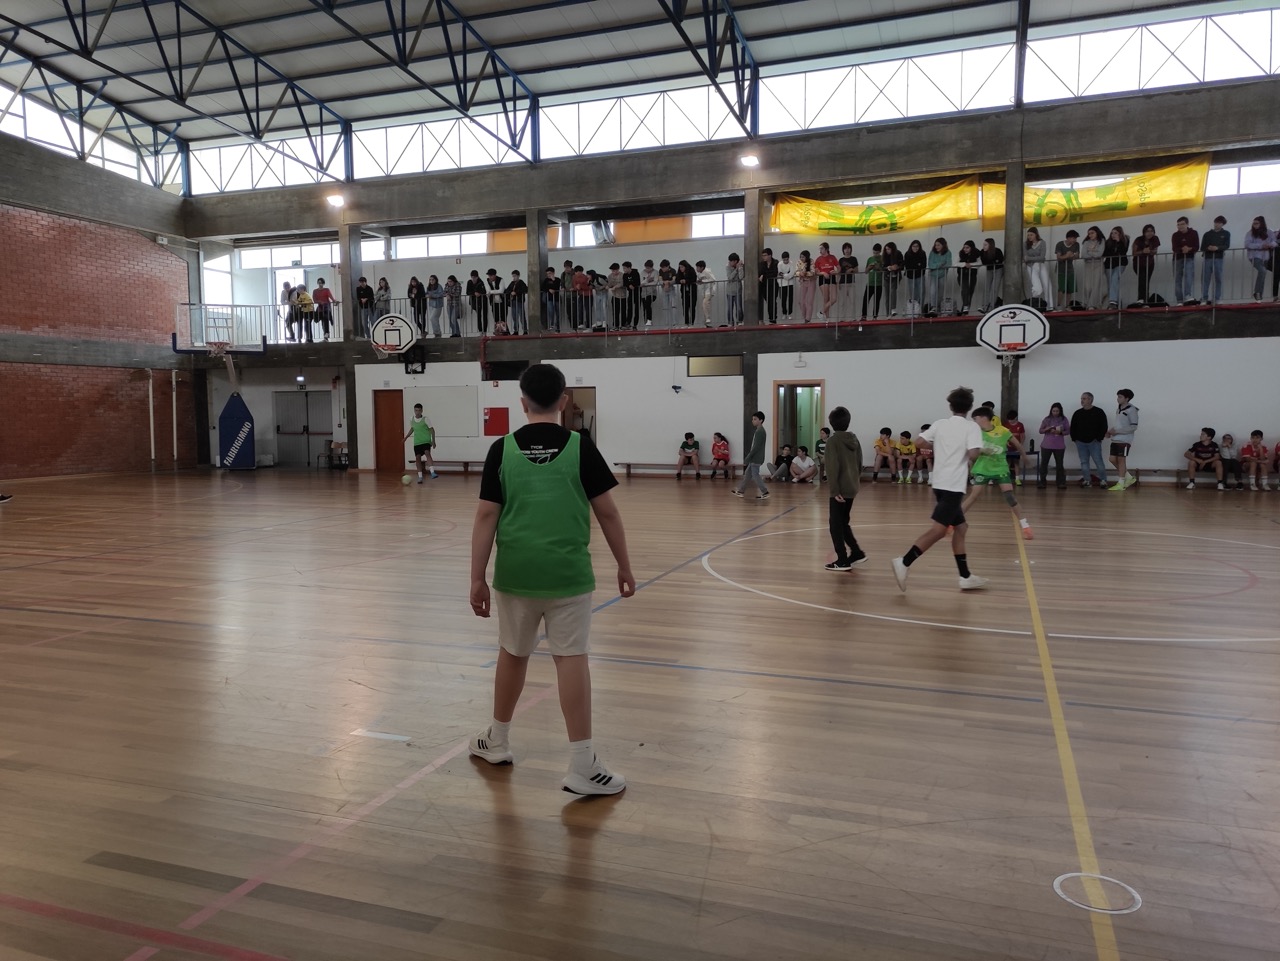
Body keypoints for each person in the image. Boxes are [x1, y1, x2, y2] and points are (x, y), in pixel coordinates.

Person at [468, 363, 634, 796]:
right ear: (564, 402)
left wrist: (476, 579)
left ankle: (497, 741)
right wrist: (624, 566)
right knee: (571, 658)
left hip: (515, 575)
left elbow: (486, 516)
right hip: (568, 577)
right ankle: (582, 764)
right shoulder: (581, 447)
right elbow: (608, 512)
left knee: (512, 653)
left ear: (522, 403)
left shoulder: (500, 450)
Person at [890, 387, 988, 593]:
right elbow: (973, 455)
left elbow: (918, 442)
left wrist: (939, 446)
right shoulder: (972, 428)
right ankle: (904, 562)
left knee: (961, 528)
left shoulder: (940, 424)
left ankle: (965, 576)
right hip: (953, 485)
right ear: (970, 407)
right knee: (939, 530)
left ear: (950, 406)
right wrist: (982, 448)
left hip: (940, 483)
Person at [962, 407, 1034, 539]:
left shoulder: (1003, 431)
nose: (974, 422)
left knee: (1010, 498)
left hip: (1000, 469)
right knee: (973, 497)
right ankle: (953, 523)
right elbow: (970, 452)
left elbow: (1018, 445)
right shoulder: (975, 433)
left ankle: (1025, 526)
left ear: (984, 418)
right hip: (982, 469)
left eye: (975, 419)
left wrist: (1024, 456)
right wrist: (982, 450)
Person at [823, 406, 866, 572]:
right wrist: (854, 480)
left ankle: (842, 560)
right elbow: (860, 463)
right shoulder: (854, 439)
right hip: (852, 486)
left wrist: (835, 491)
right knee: (843, 522)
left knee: (835, 525)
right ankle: (856, 552)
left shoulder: (833, 441)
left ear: (831, 423)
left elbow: (832, 468)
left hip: (839, 490)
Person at [1069, 392, 1109, 488]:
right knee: (1084, 462)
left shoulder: (1099, 412)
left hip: (1094, 442)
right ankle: (1087, 480)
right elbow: (1073, 427)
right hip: (1080, 442)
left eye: (1084, 398)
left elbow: (1104, 426)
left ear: (1090, 399)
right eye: (1081, 398)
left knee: (1098, 461)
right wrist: (1075, 439)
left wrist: (1098, 438)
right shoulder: (1077, 413)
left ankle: (1103, 480)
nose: (1082, 400)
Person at [1106, 388, 1139, 490]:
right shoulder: (1119, 408)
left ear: (1127, 398)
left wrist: (1117, 431)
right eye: (1118, 396)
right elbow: (1118, 425)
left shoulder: (1132, 410)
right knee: (1112, 459)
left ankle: (1121, 483)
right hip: (1116, 438)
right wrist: (1110, 431)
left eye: (1120, 397)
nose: (1118, 399)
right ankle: (1129, 477)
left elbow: (1133, 427)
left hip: (1125, 440)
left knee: (1121, 460)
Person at [733, 411, 769, 499]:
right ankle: (741, 491)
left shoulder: (760, 431)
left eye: (755, 419)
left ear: (761, 420)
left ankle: (765, 492)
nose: (753, 421)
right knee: (748, 474)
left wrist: (748, 457)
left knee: (755, 474)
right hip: (756, 457)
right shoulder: (759, 430)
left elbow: (756, 447)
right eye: (753, 419)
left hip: (756, 457)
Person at [1037, 402, 1070, 489]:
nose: (1055, 413)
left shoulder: (1064, 419)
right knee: (1044, 464)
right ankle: (1042, 482)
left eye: (1057, 411)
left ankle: (1060, 483)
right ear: (1051, 411)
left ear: (1060, 411)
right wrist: (1047, 429)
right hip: (1046, 445)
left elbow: (1068, 431)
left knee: (1059, 464)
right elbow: (1040, 430)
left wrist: (1060, 432)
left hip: (1059, 446)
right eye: (1053, 411)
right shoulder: (1047, 419)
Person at [1244, 216, 1276, 302]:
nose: (1255, 225)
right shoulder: (1250, 233)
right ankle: (1257, 292)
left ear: (1262, 223)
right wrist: (1261, 246)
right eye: (1253, 223)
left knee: (1263, 274)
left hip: (1266, 257)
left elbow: (1274, 242)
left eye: (1257, 223)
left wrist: (1270, 245)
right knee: (1262, 271)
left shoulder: (1269, 232)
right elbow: (1247, 244)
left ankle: (1259, 295)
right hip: (1254, 256)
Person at [403, 403, 437, 482]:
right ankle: (420, 477)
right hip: (417, 442)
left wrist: (433, 441)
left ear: (422, 411)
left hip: (426, 440)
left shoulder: (425, 419)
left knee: (427, 453)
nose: (417, 412)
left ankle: (432, 472)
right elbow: (412, 428)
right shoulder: (411, 419)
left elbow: (432, 430)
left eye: (419, 410)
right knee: (417, 458)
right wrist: (406, 437)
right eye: (416, 410)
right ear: (414, 411)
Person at [1200, 215, 1230, 305]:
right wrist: (1209, 248)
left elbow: (1226, 245)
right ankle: (1204, 298)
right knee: (1205, 279)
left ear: (1222, 224)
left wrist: (1217, 248)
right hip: (1207, 258)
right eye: (1216, 222)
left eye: (1219, 223)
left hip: (1219, 258)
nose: (1217, 224)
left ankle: (1217, 298)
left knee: (1218, 279)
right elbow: (1202, 247)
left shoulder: (1226, 234)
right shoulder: (1207, 234)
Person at [1171, 216, 1200, 305]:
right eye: (1178, 225)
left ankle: (1187, 295)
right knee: (1177, 279)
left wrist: (1189, 249)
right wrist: (1182, 249)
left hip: (1189, 257)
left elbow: (1196, 246)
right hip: (1178, 258)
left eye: (1182, 224)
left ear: (1187, 224)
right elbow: (1174, 248)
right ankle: (1179, 300)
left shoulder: (1194, 233)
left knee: (1189, 276)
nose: (1180, 226)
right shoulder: (1175, 235)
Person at [1131, 224, 1161, 304]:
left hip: (1150, 264)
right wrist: (1143, 251)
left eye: (1151, 231)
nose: (1149, 233)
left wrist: (1149, 251)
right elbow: (1134, 252)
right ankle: (1141, 298)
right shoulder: (1138, 239)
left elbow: (1155, 251)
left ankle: (1145, 300)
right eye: (1147, 231)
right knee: (1142, 280)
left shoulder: (1155, 239)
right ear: (1144, 232)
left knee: (1147, 281)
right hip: (1138, 263)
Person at [1103, 226, 1129, 308]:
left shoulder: (1125, 240)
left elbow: (1123, 252)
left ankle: (1113, 301)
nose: (1113, 235)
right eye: (1112, 233)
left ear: (1120, 234)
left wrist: (1118, 242)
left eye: (1115, 233)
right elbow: (1105, 254)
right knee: (1111, 283)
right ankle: (1117, 302)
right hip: (1109, 264)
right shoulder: (1108, 242)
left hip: (1120, 264)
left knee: (1114, 278)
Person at [1079, 226, 1106, 310]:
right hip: (1088, 265)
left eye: (1092, 233)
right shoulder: (1086, 242)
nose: (1090, 235)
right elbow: (1083, 255)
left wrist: (1090, 252)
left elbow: (1100, 254)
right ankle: (1087, 303)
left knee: (1096, 285)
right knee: (1087, 286)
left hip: (1098, 265)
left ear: (1097, 232)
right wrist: (1094, 252)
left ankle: (1092, 305)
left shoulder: (1101, 241)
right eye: (1089, 233)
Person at [1024, 227, 1051, 308]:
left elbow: (1042, 257)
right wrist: (1031, 259)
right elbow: (1025, 258)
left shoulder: (1042, 243)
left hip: (1041, 265)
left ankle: (1050, 306)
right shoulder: (1025, 244)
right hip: (1031, 266)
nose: (1029, 237)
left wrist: (1029, 258)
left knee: (1047, 285)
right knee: (1037, 287)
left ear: (1036, 235)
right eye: (1028, 235)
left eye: (1031, 235)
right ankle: (1034, 304)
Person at [1054, 230, 1080, 306]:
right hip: (1061, 269)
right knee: (1062, 288)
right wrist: (1067, 255)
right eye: (1073, 238)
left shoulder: (1076, 245)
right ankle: (1058, 305)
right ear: (1068, 238)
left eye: (1075, 238)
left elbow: (1077, 256)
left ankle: (1067, 306)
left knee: (1070, 289)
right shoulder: (1060, 244)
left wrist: (1072, 256)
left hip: (1070, 268)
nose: (1075, 240)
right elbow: (1058, 257)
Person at [926, 237, 951, 314]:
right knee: (933, 291)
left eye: (938, 245)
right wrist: (940, 264)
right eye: (935, 245)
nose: (936, 247)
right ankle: (933, 307)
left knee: (940, 292)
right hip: (933, 275)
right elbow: (930, 265)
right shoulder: (932, 252)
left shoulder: (948, 253)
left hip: (942, 275)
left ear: (943, 245)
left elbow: (948, 264)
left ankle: (939, 306)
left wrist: (936, 266)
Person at [814, 242, 839, 318]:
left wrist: (836, 271)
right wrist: (823, 273)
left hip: (831, 277)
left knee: (833, 298)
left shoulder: (832, 257)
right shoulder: (818, 259)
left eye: (822, 248)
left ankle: (821, 312)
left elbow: (839, 267)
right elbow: (816, 272)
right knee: (826, 298)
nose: (820, 250)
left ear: (826, 249)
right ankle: (827, 319)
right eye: (820, 249)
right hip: (823, 278)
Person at [979, 237, 1003, 311]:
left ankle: (991, 306)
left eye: (985, 245)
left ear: (990, 245)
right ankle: (985, 306)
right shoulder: (982, 252)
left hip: (998, 269)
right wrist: (993, 262)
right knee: (986, 287)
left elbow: (1000, 260)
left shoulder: (997, 251)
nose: (983, 247)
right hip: (989, 270)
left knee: (994, 288)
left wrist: (993, 262)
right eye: (983, 245)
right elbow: (984, 262)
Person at [903, 239, 926, 315]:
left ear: (919, 247)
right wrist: (917, 265)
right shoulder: (907, 254)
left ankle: (921, 311)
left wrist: (917, 266)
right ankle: (915, 311)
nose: (915, 248)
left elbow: (923, 265)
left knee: (921, 293)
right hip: (910, 277)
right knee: (913, 294)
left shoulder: (922, 253)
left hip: (920, 275)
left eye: (917, 246)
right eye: (914, 246)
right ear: (911, 246)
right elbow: (908, 266)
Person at [956, 240, 979, 314]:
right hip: (962, 275)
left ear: (971, 248)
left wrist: (971, 265)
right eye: (964, 247)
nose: (965, 249)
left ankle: (965, 309)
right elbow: (955, 263)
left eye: (967, 248)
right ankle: (965, 306)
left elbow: (979, 263)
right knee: (965, 289)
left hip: (972, 275)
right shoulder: (961, 254)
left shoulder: (976, 254)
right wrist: (964, 264)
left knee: (970, 292)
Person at [837, 242, 859, 320]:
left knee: (853, 301)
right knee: (842, 302)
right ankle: (842, 318)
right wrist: (838, 282)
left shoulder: (854, 259)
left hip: (851, 282)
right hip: (843, 282)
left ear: (851, 249)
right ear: (843, 250)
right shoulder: (841, 260)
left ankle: (853, 318)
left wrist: (852, 269)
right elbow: (839, 272)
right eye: (845, 248)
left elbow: (857, 270)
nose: (847, 250)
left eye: (848, 248)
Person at [794, 250, 817, 323]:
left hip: (811, 282)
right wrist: (800, 273)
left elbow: (813, 272)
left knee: (809, 301)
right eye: (800, 257)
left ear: (807, 257)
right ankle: (805, 317)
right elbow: (796, 272)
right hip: (803, 282)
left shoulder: (811, 261)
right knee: (801, 302)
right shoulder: (798, 262)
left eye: (803, 257)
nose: (801, 258)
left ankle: (807, 319)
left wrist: (805, 273)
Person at [862, 243, 884, 319]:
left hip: (879, 283)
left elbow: (884, 271)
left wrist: (878, 267)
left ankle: (875, 317)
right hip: (870, 283)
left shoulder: (882, 259)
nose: (875, 254)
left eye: (877, 253)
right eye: (874, 252)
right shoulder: (870, 259)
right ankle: (864, 316)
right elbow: (866, 271)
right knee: (865, 300)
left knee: (877, 301)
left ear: (880, 251)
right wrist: (869, 267)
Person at [1004, 409, 1025, 485]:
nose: (1010, 421)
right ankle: (1006, 479)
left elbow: (1022, 436)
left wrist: (1020, 446)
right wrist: (1006, 443)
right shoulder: (1006, 425)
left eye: (1011, 419)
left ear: (1016, 418)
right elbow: (1004, 435)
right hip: (1008, 448)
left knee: (1016, 463)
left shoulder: (1020, 425)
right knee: (1008, 463)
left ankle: (1017, 479)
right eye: (1009, 419)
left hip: (1016, 448)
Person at [882, 241, 904, 315]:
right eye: (886, 249)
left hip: (895, 276)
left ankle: (893, 308)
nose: (887, 251)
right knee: (887, 295)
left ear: (892, 249)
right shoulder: (884, 255)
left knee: (893, 291)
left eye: (888, 249)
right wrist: (887, 268)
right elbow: (882, 266)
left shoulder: (898, 254)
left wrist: (896, 267)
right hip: (887, 276)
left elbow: (902, 264)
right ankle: (888, 313)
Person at [758, 248, 779, 323]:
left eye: (765, 255)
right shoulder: (761, 264)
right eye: (763, 255)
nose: (764, 257)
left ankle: (772, 319)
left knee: (772, 302)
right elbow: (760, 273)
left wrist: (764, 276)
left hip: (773, 286)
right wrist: (763, 275)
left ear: (770, 255)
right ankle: (763, 319)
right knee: (767, 302)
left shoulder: (776, 262)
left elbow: (774, 273)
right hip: (764, 286)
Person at [506, 270, 529, 335]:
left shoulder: (521, 282)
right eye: (513, 276)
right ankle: (516, 330)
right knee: (514, 317)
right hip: (513, 302)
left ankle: (525, 330)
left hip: (519, 301)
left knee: (522, 316)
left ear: (518, 276)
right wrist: (511, 292)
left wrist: (516, 292)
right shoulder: (512, 283)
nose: (514, 277)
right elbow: (507, 290)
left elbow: (525, 289)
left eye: (515, 276)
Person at [724, 253, 744, 326]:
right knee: (730, 308)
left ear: (735, 261)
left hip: (738, 290)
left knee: (739, 308)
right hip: (729, 291)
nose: (729, 262)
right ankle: (730, 322)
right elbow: (730, 277)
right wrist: (736, 269)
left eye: (731, 261)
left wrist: (740, 268)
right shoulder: (728, 266)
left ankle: (740, 321)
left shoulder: (740, 266)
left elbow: (741, 277)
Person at [676, 259, 697, 326]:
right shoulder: (680, 272)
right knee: (685, 307)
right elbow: (677, 279)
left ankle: (692, 323)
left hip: (692, 292)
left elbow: (694, 278)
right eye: (680, 267)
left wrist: (686, 281)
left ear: (686, 266)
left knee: (692, 307)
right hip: (684, 292)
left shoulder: (691, 270)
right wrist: (680, 281)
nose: (681, 268)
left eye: (682, 267)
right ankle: (686, 323)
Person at [696, 259, 717, 326]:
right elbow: (701, 281)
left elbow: (713, 279)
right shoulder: (699, 274)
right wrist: (699, 282)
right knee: (704, 305)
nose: (696, 269)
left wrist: (703, 281)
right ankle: (706, 322)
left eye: (697, 267)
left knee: (705, 302)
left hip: (710, 289)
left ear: (702, 267)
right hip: (704, 291)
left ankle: (708, 318)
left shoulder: (707, 271)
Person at [467, 269, 488, 333]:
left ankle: (484, 331)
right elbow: (468, 292)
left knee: (484, 316)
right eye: (472, 277)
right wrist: (474, 293)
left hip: (483, 301)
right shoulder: (469, 282)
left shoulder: (481, 282)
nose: (473, 279)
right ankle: (480, 330)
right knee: (478, 316)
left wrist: (479, 294)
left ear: (477, 277)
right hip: (475, 302)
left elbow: (484, 291)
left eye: (475, 277)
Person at [541, 267, 562, 333]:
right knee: (551, 311)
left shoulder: (558, 279)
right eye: (547, 274)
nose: (548, 275)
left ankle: (557, 328)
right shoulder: (546, 280)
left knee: (558, 313)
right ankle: (552, 324)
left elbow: (557, 286)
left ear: (553, 273)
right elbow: (543, 287)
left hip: (556, 298)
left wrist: (553, 280)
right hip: (549, 298)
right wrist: (549, 289)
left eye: (550, 273)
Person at [606, 262, 626, 329]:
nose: (613, 272)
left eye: (614, 270)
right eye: (612, 270)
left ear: (618, 269)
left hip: (622, 296)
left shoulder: (622, 275)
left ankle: (623, 325)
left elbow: (622, 283)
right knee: (615, 312)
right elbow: (609, 283)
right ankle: (616, 326)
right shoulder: (610, 276)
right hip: (614, 296)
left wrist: (616, 287)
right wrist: (607, 286)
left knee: (623, 311)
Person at [622, 260, 641, 328]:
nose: (624, 270)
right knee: (629, 308)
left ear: (629, 267)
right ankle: (628, 322)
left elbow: (638, 282)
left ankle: (635, 324)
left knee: (637, 309)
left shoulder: (635, 273)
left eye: (625, 268)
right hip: (630, 293)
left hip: (637, 293)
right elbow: (625, 283)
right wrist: (629, 285)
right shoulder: (624, 275)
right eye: (623, 268)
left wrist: (633, 285)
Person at [777, 251, 795, 322]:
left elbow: (792, 273)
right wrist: (787, 275)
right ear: (782, 259)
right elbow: (780, 273)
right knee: (783, 299)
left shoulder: (791, 263)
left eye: (787, 259)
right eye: (784, 260)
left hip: (790, 283)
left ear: (788, 258)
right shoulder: (780, 264)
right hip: (782, 284)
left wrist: (786, 275)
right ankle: (784, 313)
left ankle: (790, 313)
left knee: (790, 299)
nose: (785, 261)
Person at [640, 259, 658, 327]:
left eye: (649, 268)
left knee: (648, 304)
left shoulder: (655, 272)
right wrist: (647, 280)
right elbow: (641, 283)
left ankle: (649, 320)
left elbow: (655, 282)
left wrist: (646, 283)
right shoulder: (642, 272)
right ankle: (646, 321)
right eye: (646, 268)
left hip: (652, 293)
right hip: (644, 293)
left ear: (652, 267)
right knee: (644, 307)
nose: (647, 269)